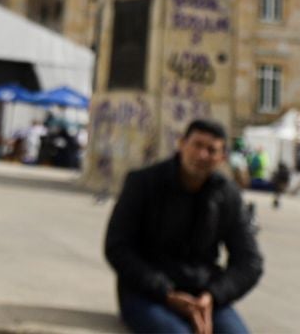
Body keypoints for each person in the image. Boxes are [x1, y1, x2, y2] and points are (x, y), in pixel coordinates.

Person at [104, 119, 263, 334]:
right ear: (181, 144)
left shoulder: (227, 195)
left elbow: (250, 262)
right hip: (147, 292)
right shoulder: (143, 183)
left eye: (211, 150)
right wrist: (165, 292)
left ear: (222, 158)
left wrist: (213, 296)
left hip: (203, 294)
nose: (202, 155)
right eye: (197, 145)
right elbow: (117, 246)